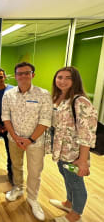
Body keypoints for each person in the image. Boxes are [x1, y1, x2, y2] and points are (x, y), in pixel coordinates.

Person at [2, 62, 52, 221]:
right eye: (20, 73)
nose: (23, 76)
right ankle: (18, 188)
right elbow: (5, 117)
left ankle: (32, 198)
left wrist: (30, 139)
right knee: (16, 166)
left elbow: (45, 120)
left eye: (26, 73)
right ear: (15, 76)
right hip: (14, 139)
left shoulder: (44, 94)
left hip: (35, 142)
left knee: (35, 171)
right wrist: (16, 137)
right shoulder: (8, 94)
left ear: (33, 75)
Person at [49, 66, 97, 222]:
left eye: (67, 78)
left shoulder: (80, 100)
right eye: (59, 77)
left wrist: (83, 160)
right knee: (67, 177)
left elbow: (87, 133)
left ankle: (76, 215)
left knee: (76, 182)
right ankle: (69, 203)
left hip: (74, 154)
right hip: (61, 151)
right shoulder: (60, 98)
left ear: (75, 80)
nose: (62, 81)